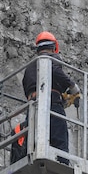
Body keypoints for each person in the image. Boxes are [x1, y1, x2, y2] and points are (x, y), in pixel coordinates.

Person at [22, 31, 80, 165]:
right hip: (50, 103)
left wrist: (61, 95)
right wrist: (73, 87)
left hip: (32, 106)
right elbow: (55, 72)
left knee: (34, 138)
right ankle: (63, 164)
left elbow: (27, 86)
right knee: (60, 137)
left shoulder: (30, 65)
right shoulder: (51, 59)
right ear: (54, 47)